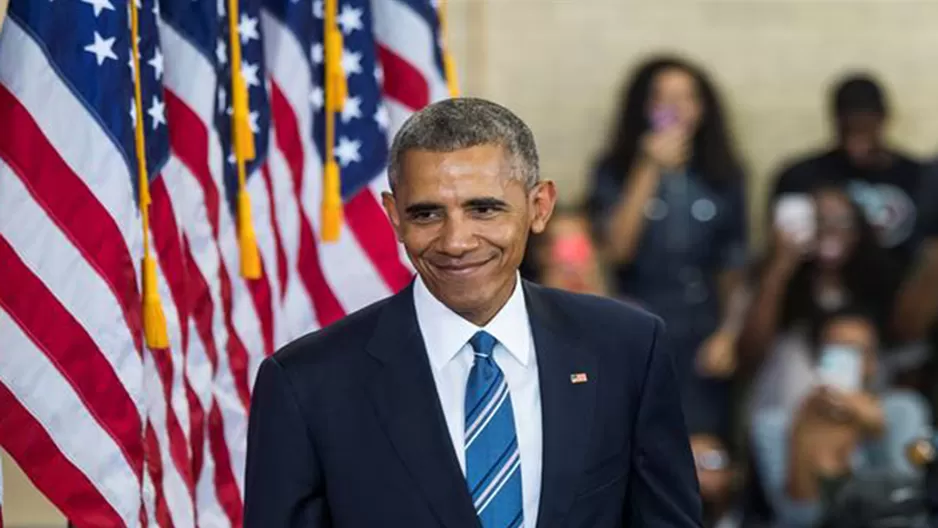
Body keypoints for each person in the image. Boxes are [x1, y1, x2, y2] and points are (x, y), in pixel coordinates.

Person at [244, 97, 703, 527]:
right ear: (394, 216)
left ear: (539, 206)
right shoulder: (306, 383)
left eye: (484, 209)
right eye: (427, 214)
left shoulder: (627, 349)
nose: (456, 241)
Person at [585, 55, 749, 461]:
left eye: (686, 97)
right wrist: (648, 167)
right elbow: (616, 250)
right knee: (639, 447)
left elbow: (735, 267)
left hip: (702, 327)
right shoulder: (614, 169)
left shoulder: (724, 173)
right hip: (636, 322)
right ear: (643, 107)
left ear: (703, 107)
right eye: (662, 97)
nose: (675, 107)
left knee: (705, 452)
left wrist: (729, 334)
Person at [749, 307, 932, 527]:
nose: (848, 360)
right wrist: (802, 435)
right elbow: (799, 517)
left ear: (873, 362)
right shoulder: (774, 425)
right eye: (838, 350)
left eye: (859, 351)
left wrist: (877, 429)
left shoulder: (902, 409)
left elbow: (907, 495)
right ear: (818, 358)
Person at [741, 184, 902, 415]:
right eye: (819, 220)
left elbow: (898, 351)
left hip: (863, 405)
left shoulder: (877, 279)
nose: (830, 229)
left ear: (858, 230)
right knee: (791, 352)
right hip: (794, 406)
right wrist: (781, 266)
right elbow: (749, 354)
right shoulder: (782, 278)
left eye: (842, 221)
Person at [768, 73, 924, 274]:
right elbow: (782, 252)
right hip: (820, 296)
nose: (856, 144)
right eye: (847, 130)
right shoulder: (801, 177)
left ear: (883, 119)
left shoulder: (918, 178)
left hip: (900, 294)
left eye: (864, 129)